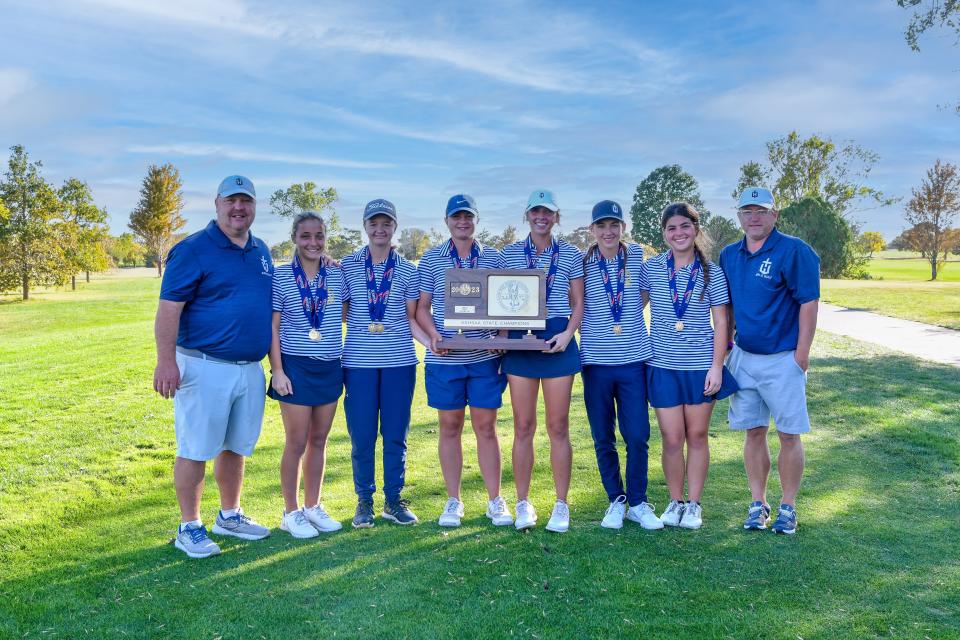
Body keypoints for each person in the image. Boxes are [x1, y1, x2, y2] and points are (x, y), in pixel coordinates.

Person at [154, 175, 273, 558]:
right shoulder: (193, 249)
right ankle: (189, 526)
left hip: (248, 368)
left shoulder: (261, 250)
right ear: (217, 203)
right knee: (195, 447)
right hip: (204, 365)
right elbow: (169, 309)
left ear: (254, 206)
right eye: (232, 201)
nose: (239, 208)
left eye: (246, 201)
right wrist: (165, 361)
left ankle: (230, 515)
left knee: (235, 446)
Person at [720, 187, 819, 535]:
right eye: (747, 211)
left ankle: (788, 506)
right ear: (740, 217)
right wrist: (728, 347)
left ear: (774, 215)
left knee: (789, 434)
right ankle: (757, 503)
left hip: (782, 359)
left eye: (761, 211)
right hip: (745, 357)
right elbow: (727, 305)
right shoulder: (730, 255)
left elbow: (809, 302)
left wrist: (802, 354)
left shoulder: (794, 250)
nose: (754, 217)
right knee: (754, 432)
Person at [415, 194, 513, 528]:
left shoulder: (494, 258)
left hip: (484, 358)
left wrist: (501, 334)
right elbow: (422, 309)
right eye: (456, 217)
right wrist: (433, 338)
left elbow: (505, 305)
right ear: (447, 221)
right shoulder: (430, 260)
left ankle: (495, 500)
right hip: (446, 361)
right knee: (450, 428)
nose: (462, 222)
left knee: (486, 429)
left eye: (468, 217)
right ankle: (454, 501)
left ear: (475, 220)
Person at [644, 202, 738, 530]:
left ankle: (694, 505)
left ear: (696, 229)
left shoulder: (712, 270)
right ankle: (675, 502)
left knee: (697, 435)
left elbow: (722, 322)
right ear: (664, 234)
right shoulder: (652, 268)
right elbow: (631, 308)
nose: (679, 233)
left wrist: (717, 366)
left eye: (685, 226)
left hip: (700, 367)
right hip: (663, 366)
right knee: (671, 438)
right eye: (671, 228)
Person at [341, 199, 429, 528]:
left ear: (394, 227)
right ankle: (364, 501)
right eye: (374, 223)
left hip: (399, 363)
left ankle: (394, 500)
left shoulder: (408, 270)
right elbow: (342, 310)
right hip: (359, 364)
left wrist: (432, 343)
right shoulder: (348, 266)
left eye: (386, 223)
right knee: (362, 435)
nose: (380, 229)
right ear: (365, 226)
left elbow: (411, 318)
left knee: (395, 435)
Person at [500, 189, 584, 533]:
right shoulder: (509, 254)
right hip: (521, 340)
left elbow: (578, 302)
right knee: (522, 427)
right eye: (535, 211)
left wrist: (567, 334)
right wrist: (504, 335)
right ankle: (523, 502)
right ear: (527, 215)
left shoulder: (570, 254)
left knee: (558, 427)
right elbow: (500, 298)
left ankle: (561, 504)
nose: (541, 217)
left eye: (547, 212)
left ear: (556, 217)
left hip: (556, 340)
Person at [579, 200, 662, 530]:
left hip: (633, 362)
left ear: (623, 227)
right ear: (593, 230)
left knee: (638, 434)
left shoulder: (639, 257)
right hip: (596, 363)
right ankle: (617, 499)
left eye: (614, 224)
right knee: (603, 436)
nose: (608, 231)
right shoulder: (583, 264)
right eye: (602, 226)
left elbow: (645, 294)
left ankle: (639, 501)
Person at [267, 211, 346, 538]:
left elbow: (346, 312)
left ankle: (313, 506)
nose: (313, 242)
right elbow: (272, 326)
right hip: (296, 366)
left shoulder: (337, 275)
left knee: (319, 440)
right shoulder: (281, 276)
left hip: (329, 365)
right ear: (294, 239)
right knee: (296, 442)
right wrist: (278, 371)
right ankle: (291, 511)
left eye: (319, 236)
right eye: (306, 236)